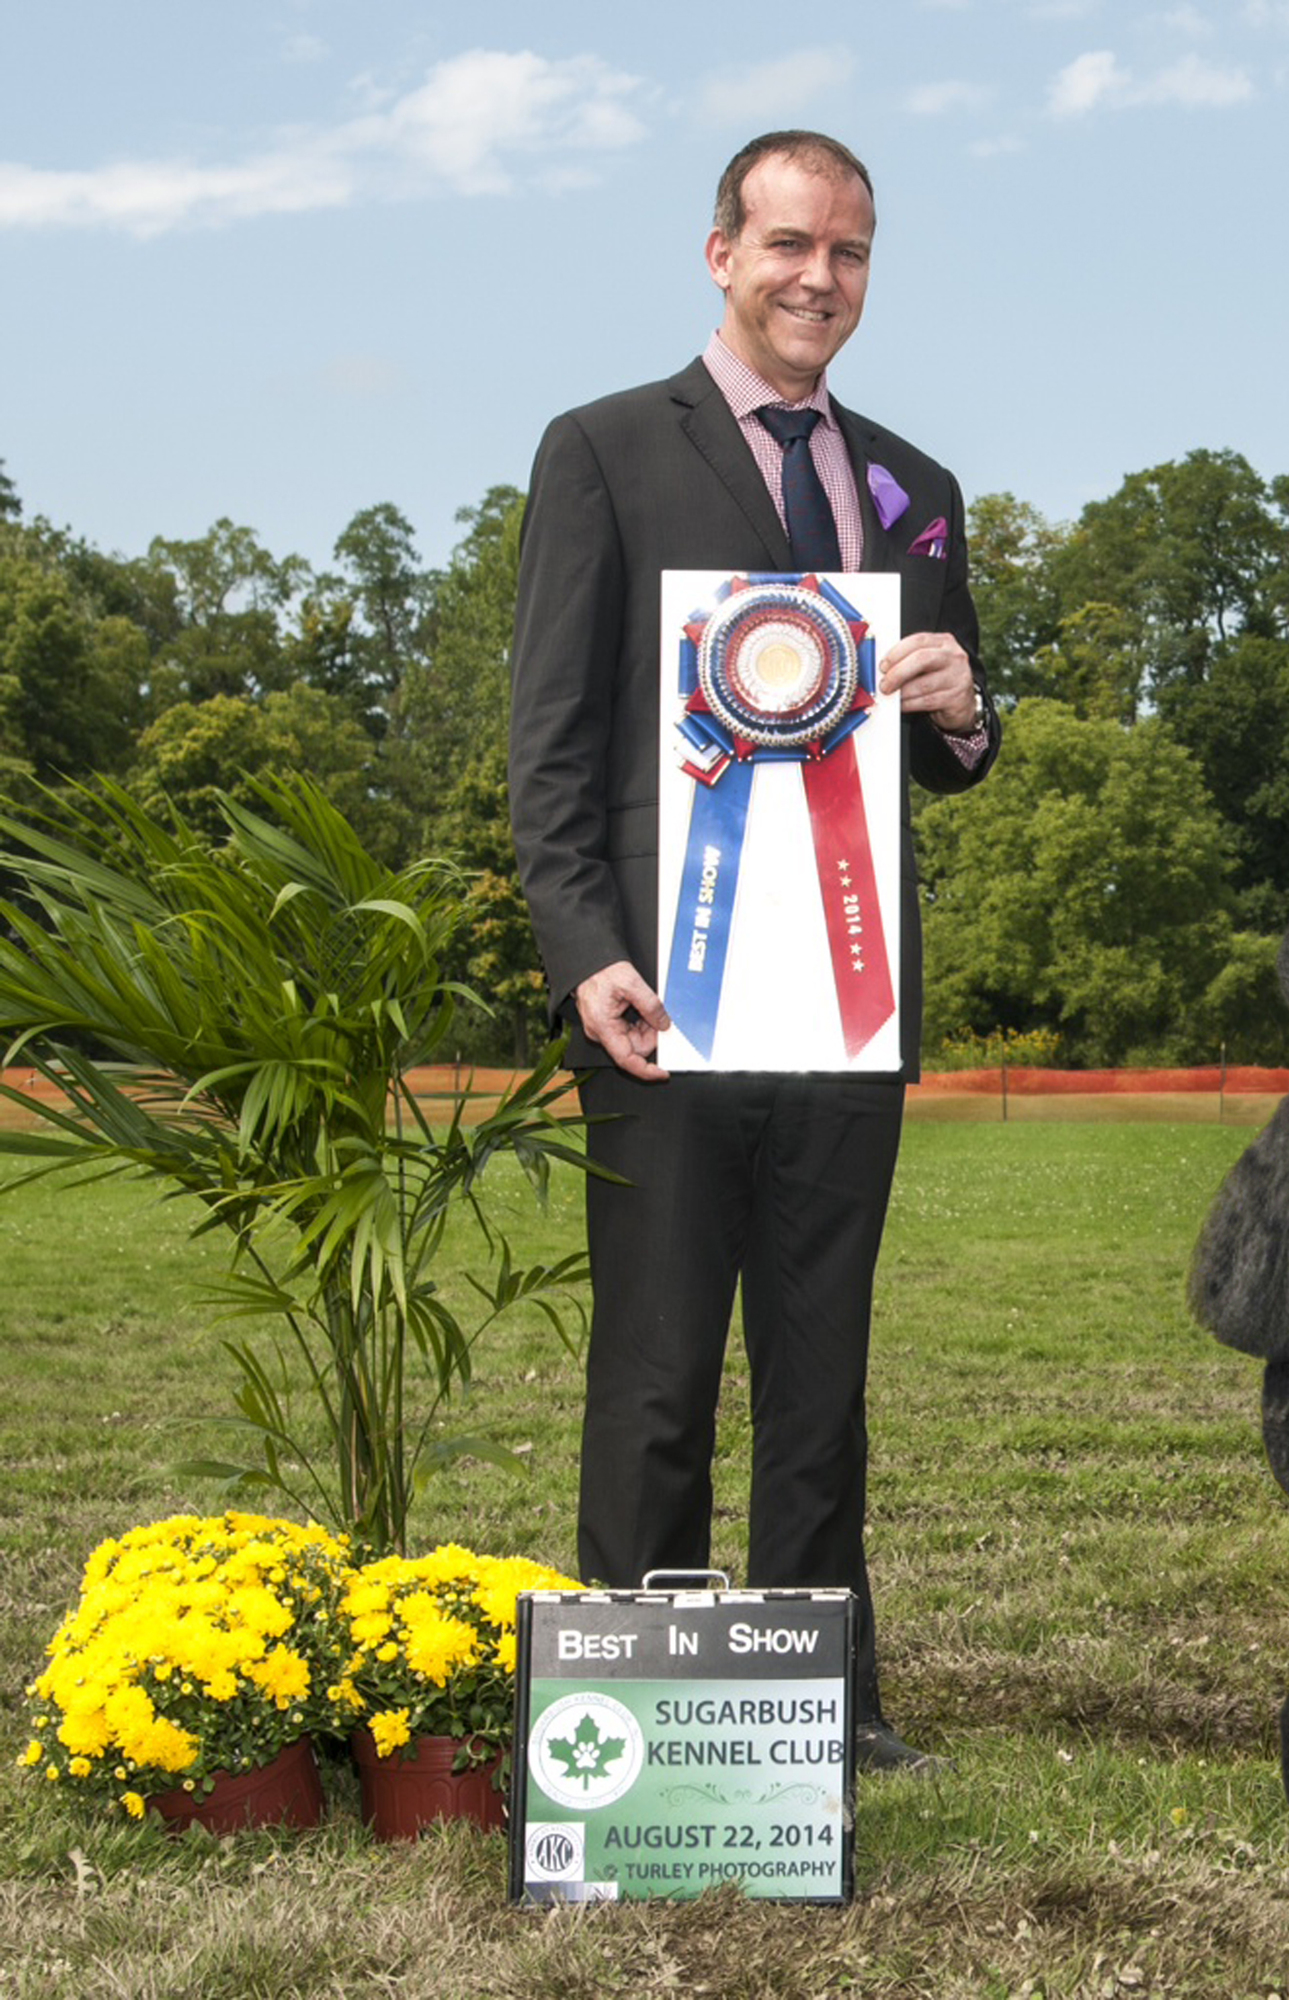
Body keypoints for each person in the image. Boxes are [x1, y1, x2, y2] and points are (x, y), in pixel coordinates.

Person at [507, 130, 1000, 1773]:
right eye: (790, 244)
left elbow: (947, 752)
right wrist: (585, 950)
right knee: (656, 1378)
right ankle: (637, 1717)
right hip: (661, 999)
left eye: (849, 252)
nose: (819, 278)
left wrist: (963, 706)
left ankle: (824, 1710)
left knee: (820, 1382)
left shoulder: (913, 485)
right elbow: (550, 743)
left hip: (847, 1004)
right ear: (721, 252)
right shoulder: (599, 449)